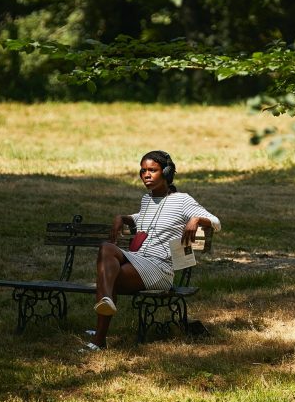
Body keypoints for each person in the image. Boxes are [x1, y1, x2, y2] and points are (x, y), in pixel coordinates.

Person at [80, 150, 221, 351]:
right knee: (107, 258)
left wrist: (197, 219)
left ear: (166, 172)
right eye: (143, 170)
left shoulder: (182, 200)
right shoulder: (147, 200)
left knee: (106, 275)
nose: (146, 175)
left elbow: (216, 222)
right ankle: (101, 331)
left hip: (160, 270)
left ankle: (100, 336)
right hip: (140, 261)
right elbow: (144, 218)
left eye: (153, 170)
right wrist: (124, 218)